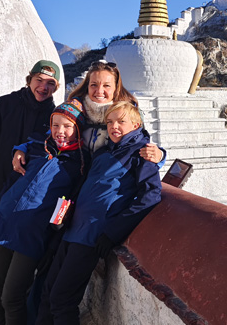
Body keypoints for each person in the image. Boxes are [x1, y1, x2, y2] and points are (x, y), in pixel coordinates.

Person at [36, 101, 162, 325]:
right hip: (72, 229)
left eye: (121, 121)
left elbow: (150, 196)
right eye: (110, 122)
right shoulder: (104, 151)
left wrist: (113, 232)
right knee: (47, 292)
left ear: (136, 124)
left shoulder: (141, 154)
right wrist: (62, 215)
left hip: (92, 236)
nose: (114, 126)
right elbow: (85, 186)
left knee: (62, 299)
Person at [0, 60, 61, 325]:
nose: (43, 86)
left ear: (57, 87)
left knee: (17, 277)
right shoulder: (4, 105)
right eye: (39, 80)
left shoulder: (53, 119)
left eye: (50, 83)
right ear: (29, 79)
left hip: (24, 209)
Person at [0, 101, 86, 325]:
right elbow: (27, 145)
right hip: (6, 221)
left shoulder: (79, 163)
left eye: (67, 126)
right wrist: (20, 148)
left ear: (78, 129)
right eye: (56, 125)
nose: (61, 131)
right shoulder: (38, 146)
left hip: (32, 234)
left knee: (12, 297)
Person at [13, 60, 163, 172]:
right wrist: (22, 149)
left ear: (116, 87)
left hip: (108, 181)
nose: (99, 90)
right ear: (87, 85)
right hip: (73, 176)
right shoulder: (74, 110)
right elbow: (51, 136)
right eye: (94, 85)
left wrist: (160, 155)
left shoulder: (126, 115)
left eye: (106, 85)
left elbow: (141, 143)